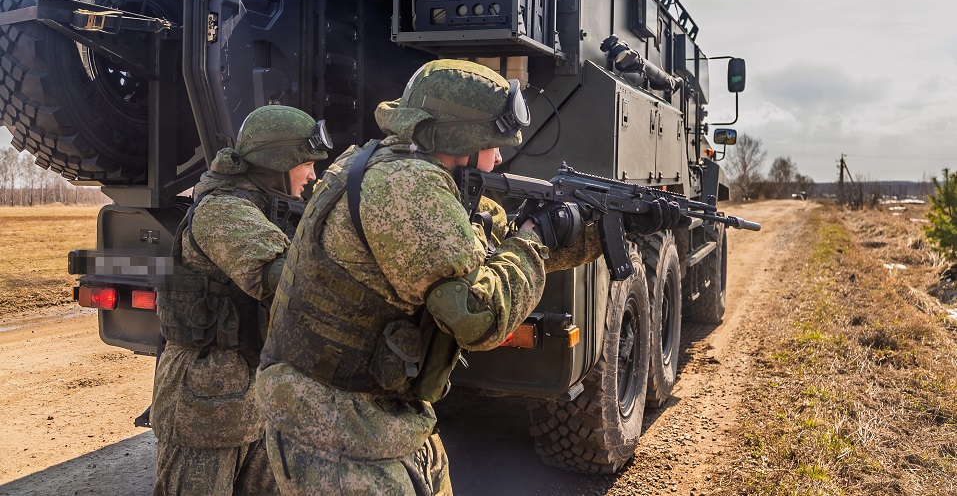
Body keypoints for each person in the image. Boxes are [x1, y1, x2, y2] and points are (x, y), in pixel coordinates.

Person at [255, 60, 683, 495]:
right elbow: (480, 316)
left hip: (373, 413)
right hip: (331, 426)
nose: (498, 158)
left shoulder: (398, 167)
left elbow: (497, 247)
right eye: (492, 144)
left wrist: (609, 229)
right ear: (461, 138)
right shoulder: (405, 186)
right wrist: (534, 240)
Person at [152, 104, 331, 496]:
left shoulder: (267, 208)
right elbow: (287, 278)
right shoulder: (223, 210)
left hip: (254, 400)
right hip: (204, 404)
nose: (312, 175)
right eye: (306, 163)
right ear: (277, 163)